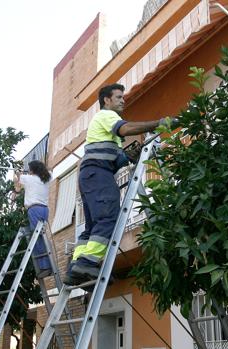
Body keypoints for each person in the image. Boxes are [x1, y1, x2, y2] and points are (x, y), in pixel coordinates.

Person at [62, 83, 177, 286]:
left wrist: (126, 156)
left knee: (91, 227)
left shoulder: (104, 128)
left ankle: (75, 269)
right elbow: (126, 128)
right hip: (98, 174)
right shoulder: (108, 116)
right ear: (106, 100)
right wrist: (160, 123)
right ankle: (88, 262)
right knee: (108, 217)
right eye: (119, 97)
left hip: (90, 175)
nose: (123, 100)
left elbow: (111, 157)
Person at [14, 160, 53, 279]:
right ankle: (46, 265)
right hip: (44, 209)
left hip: (34, 209)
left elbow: (17, 188)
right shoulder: (47, 178)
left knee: (37, 238)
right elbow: (50, 170)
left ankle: (45, 266)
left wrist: (17, 174)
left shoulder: (28, 179)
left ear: (32, 170)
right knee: (40, 236)